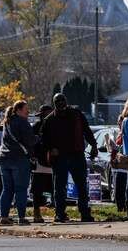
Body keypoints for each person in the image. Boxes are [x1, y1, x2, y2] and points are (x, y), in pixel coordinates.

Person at [41, 93, 97, 223]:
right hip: (60, 157)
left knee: (82, 185)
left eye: (62, 100)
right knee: (60, 186)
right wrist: (50, 148)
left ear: (66, 101)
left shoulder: (76, 114)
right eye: (57, 101)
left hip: (77, 154)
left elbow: (87, 130)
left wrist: (94, 145)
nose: (60, 103)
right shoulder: (49, 120)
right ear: (54, 103)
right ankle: (60, 213)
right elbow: (43, 139)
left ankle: (84, 213)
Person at [0, 101, 36, 226]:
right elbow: (30, 141)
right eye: (26, 109)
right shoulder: (22, 122)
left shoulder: (7, 121)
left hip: (4, 157)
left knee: (7, 189)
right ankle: (21, 217)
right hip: (19, 158)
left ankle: (3, 216)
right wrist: (38, 137)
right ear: (19, 110)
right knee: (21, 189)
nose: (28, 111)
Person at [30, 105, 54, 223]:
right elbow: (31, 144)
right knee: (37, 191)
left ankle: (59, 213)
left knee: (56, 189)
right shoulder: (36, 127)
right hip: (39, 163)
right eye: (46, 114)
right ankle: (36, 213)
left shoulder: (56, 126)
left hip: (53, 162)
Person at [105, 114, 127, 212]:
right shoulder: (118, 134)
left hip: (123, 165)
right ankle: (120, 207)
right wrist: (110, 146)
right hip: (115, 164)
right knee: (117, 187)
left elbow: (124, 149)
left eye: (121, 121)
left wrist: (116, 147)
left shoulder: (126, 134)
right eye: (118, 121)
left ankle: (124, 207)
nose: (119, 123)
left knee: (122, 187)